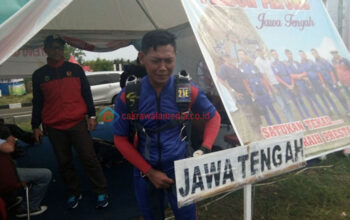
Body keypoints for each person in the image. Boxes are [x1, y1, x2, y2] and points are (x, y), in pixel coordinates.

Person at [113, 30, 221, 220]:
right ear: (142, 58)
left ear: (175, 57)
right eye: (156, 60)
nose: (163, 67)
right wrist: (149, 172)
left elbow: (213, 117)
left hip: (180, 168)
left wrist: (205, 148)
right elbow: (120, 139)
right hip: (145, 171)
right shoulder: (130, 96)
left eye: (168, 60)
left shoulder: (185, 90)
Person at [31, 35, 108, 209]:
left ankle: (101, 191)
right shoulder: (39, 75)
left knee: (89, 158)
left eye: (60, 47)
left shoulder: (75, 70)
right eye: (53, 47)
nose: (57, 51)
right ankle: (73, 192)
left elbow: (86, 94)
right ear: (46, 50)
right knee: (64, 163)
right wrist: (35, 125)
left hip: (77, 123)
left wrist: (92, 115)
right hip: (54, 127)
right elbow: (37, 102)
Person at [0, 136, 51, 218]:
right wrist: (10, 140)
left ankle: (10, 200)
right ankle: (29, 207)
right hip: (4, 178)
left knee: (14, 162)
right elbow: (9, 148)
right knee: (46, 175)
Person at [238, 49, 281, 126]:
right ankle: (271, 125)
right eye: (239, 55)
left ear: (246, 55)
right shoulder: (241, 67)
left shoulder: (254, 65)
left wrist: (269, 90)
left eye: (242, 54)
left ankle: (280, 123)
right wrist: (251, 93)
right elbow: (245, 82)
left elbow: (262, 78)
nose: (241, 57)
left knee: (272, 108)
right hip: (255, 92)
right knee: (264, 110)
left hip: (263, 90)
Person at [254, 49, 294, 122]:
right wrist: (272, 88)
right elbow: (264, 76)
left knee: (287, 102)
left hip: (280, 82)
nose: (260, 52)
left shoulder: (268, 59)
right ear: (257, 52)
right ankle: (291, 121)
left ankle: (292, 119)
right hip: (273, 84)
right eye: (258, 51)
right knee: (283, 105)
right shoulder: (258, 61)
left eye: (261, 50)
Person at [311, 49, 350, 115]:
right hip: (327, 83)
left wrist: (335, 81)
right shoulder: (315, 63)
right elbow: (319, 74)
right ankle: (347, 110)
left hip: (332, 81)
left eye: (315, 53)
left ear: (317, 52)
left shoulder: (324, 60)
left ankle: (348, 110)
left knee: (341, 96)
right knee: (337, 97)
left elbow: (331, 71)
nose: (314, 54)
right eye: (313, 53)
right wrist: (323, 83)